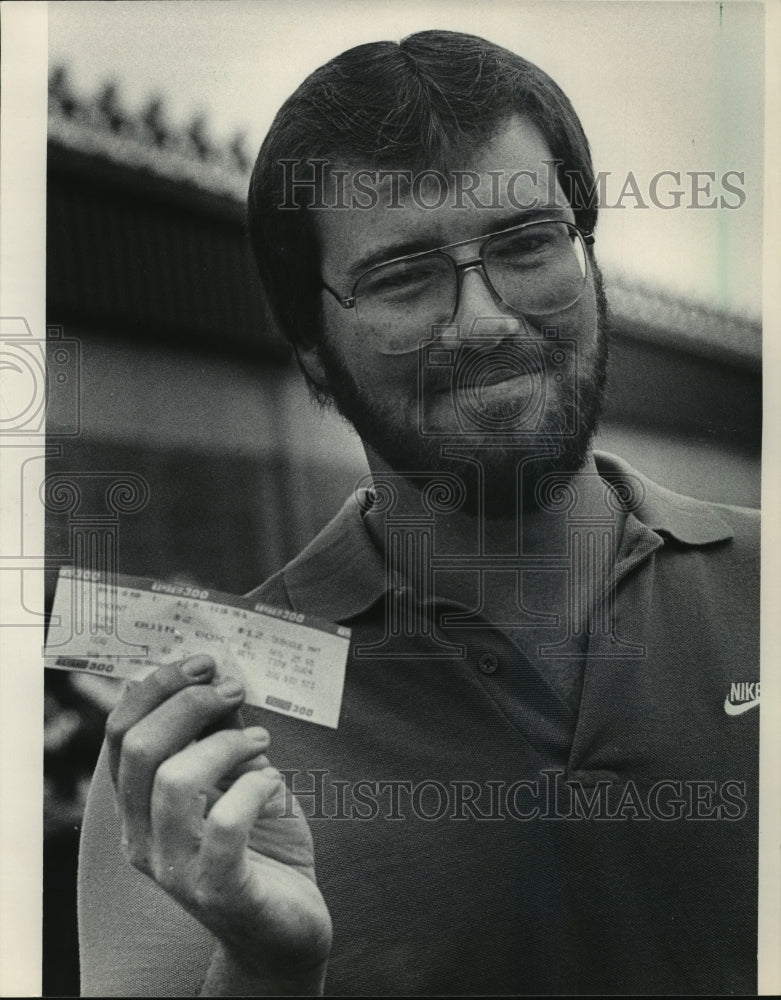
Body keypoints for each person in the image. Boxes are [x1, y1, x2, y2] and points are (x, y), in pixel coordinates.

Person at [78, 30, 760, 996]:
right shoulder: (200, 744)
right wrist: (267, 970)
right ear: (312, 347)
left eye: (526, 243)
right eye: (401, 276)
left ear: (591, 263)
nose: (482, 321)